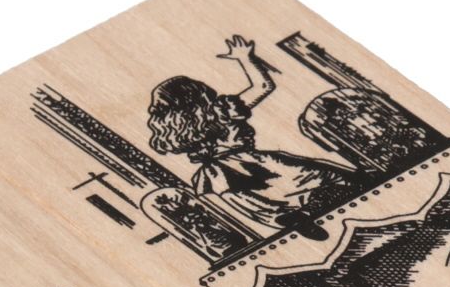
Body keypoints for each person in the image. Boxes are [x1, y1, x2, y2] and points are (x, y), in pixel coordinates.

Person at [147, 35, 354, 238]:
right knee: (320, 178)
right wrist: (245, 58)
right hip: (255, 161)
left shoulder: (178, 131)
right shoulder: (223, 109)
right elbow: (263, 86)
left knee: (238, 196)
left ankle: (286, 217)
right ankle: (312, 205)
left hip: (219, 172)